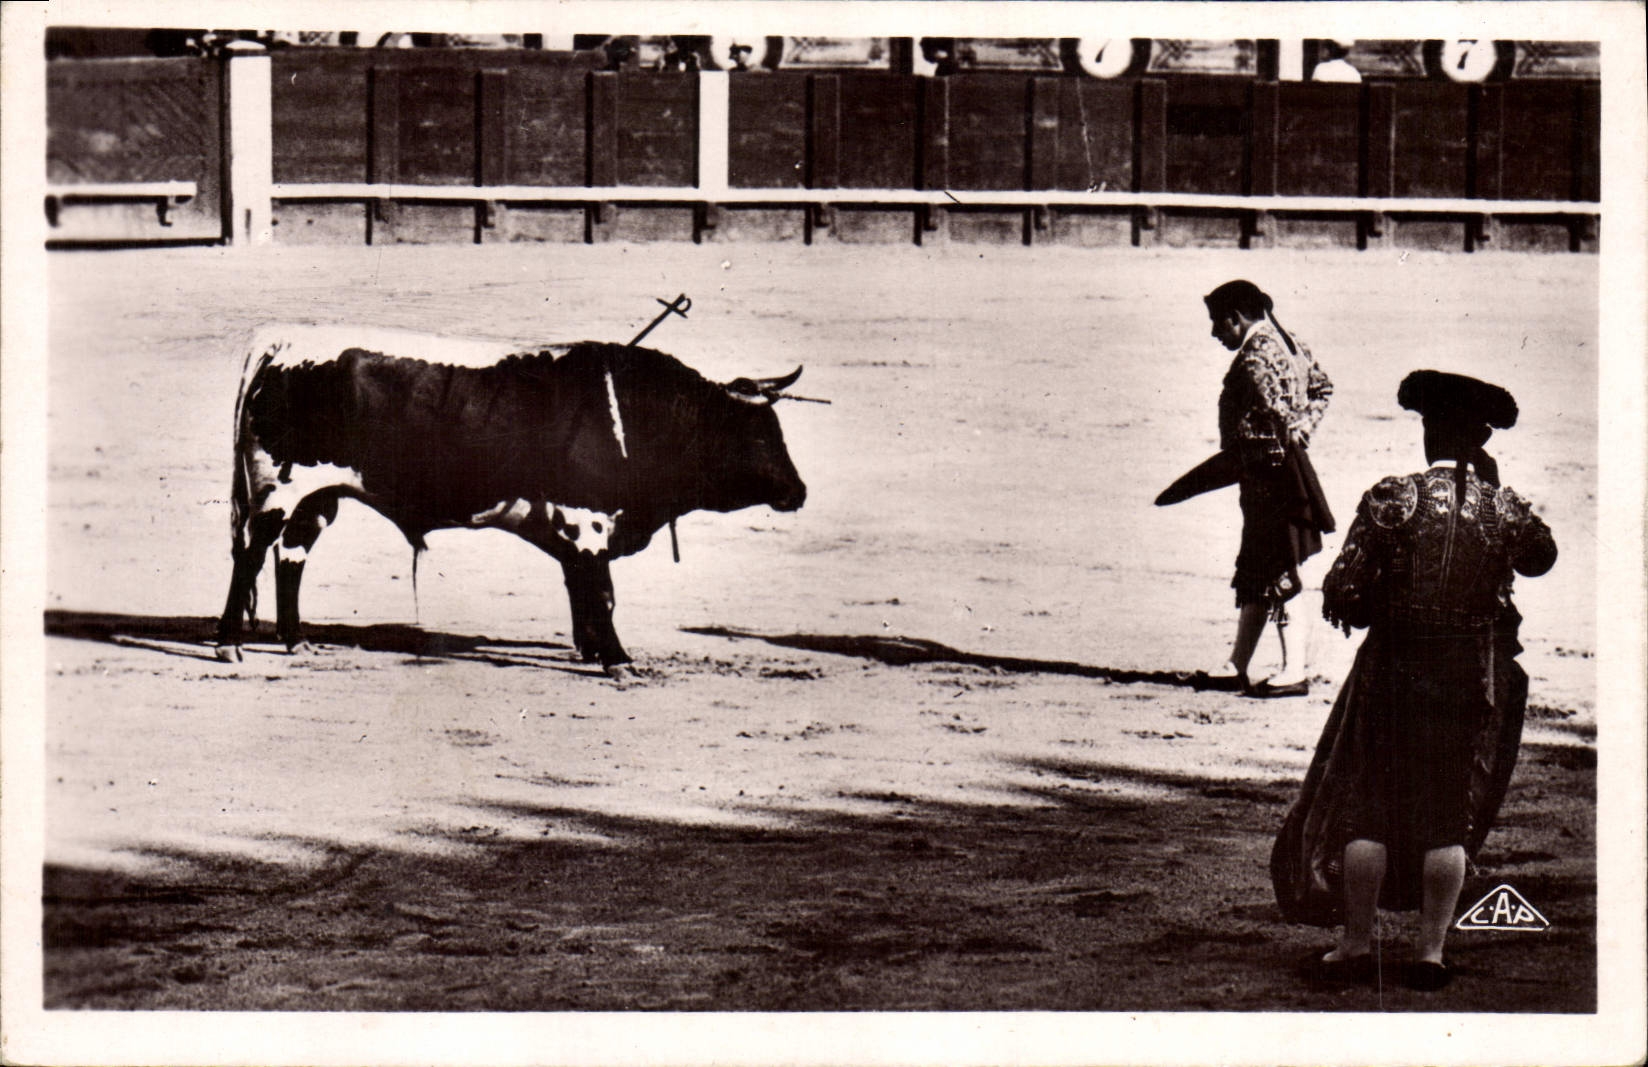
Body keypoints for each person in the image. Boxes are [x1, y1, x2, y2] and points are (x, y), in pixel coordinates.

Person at [1272, 370, 1557, 992]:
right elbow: (1542, 557)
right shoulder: (1505, 509)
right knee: (1445, 816)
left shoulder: (1395, 498)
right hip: (1464, 677)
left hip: (1395, 672)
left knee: (1371, 811)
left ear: (1431, 433)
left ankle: (1355, 945)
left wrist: (1383, 601)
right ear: (1480, 439)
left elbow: (1343, 593)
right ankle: (1430, 953)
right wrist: (1491, 494)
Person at [1204, 280, 1335, 697]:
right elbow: (1322, 388)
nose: (1214, 332)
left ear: (1236, 318)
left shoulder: (1255, 357)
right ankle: (1237, 665)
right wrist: (1303, 429)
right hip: (1281, 470)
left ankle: (1294, 670)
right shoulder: (1290, 343)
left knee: (1277, 568)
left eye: (1217, 323)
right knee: (1258, 567)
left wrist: (1277, 448)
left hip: (1269, 477)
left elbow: (1272, 416)